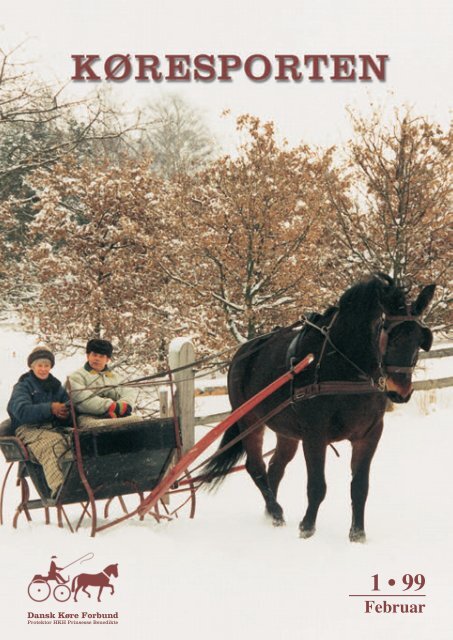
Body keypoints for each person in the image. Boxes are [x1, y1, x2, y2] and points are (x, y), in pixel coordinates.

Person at [7, 346, 72, 498]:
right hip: (28, 430)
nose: (43, 369)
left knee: (78, 440)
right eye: (39, 365)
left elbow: (68, 405)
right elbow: (22, 411)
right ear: (32, 366)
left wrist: (65, 414)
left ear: (51, 366)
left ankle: (79, 482)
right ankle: (60, 488)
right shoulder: (23, 386)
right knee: (53, 444)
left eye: (46, 365)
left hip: (51, 428)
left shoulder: (56, 387)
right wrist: (50, 408)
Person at [67, 339, 137, 426]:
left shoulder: (115, 377)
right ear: (88, 356)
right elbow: (82, 399)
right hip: (88, 416)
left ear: (107, 359)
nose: (97, 359)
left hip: (115, 415)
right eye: (94, 355)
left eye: (101, 356)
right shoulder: (75, 377)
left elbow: (129, 391)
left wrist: (123, 405)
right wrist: (111, 406)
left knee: (137, 420)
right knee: (100, 426)